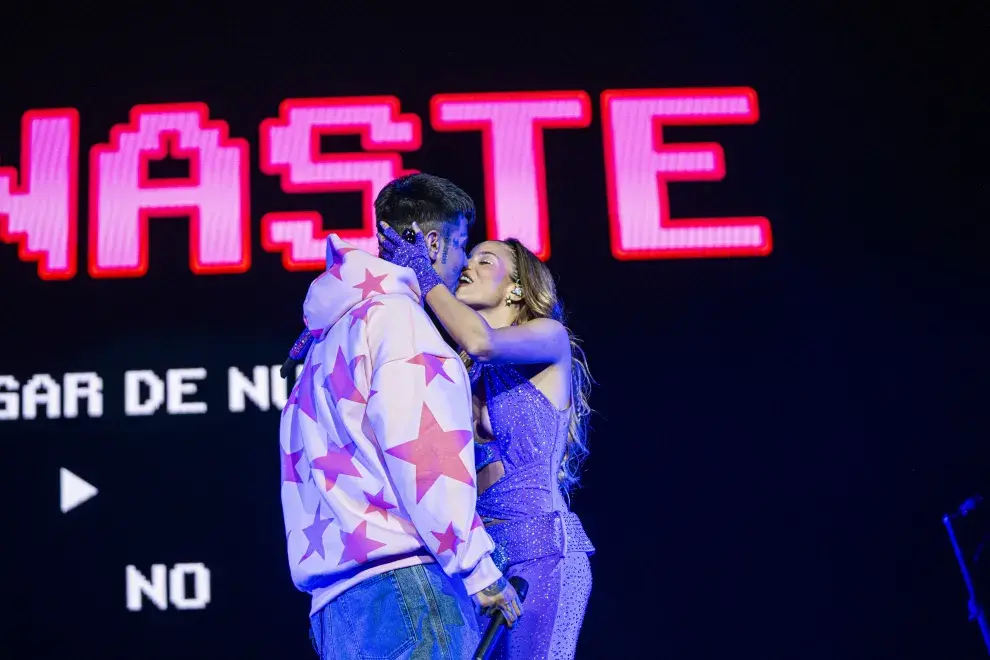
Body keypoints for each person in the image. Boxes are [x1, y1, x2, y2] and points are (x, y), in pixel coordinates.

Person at [279, 173, 522, 660]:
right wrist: (481, 571)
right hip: (406, 593)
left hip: (336, 613)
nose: (461, 265)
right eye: (460, 247)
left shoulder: (327, 340)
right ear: (432, 243)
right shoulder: (400, 321)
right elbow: (427, 458)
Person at [379, 221, 596, 659]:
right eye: (469, 257)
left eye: (486, 261)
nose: (469, 267)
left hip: (543, 552)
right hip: (478, 566)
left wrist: (424, 275)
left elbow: (482, 340)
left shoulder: (547, 337)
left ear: (516, 288)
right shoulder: (459, 367)